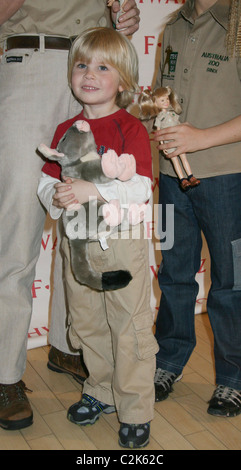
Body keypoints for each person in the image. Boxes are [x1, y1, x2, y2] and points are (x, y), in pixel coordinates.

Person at [0, 0, 140, 431]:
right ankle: (4, 374)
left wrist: (123, 18)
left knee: (87, 221)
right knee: (18, 225)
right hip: (35, 62)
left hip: (94, 63)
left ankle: (68, 347)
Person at [38, 27, 158, 449]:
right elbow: (46, 179)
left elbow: (142, 187)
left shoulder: (130, 128)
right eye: (82, 65)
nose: (89, 73)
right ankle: (100, 389)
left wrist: (95, 191)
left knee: (128, 326)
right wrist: (55, 195)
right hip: (77, 245)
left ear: (123, 79)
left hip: (121, 242)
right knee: (87, 322)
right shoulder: (65, 129)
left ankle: (136, 407)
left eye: (102, 66)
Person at [153, 0, 241, 417]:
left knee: (231, 282)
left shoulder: (237, 24)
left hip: (228, 177)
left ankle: (233, 378)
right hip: (170, 179)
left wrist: (200, 138)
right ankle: (167, 362)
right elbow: (159, 95)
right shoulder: (173, 25)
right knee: (173, 275)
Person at [138, 86, 200, 190]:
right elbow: (158, 132)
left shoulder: (172, 112)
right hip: (169, 143)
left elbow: (178, 123)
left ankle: (191, 176)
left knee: (184, 158)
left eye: (167, 99)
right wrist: (163, 145)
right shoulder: (160, 117)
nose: (166, 102)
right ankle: (182, 180)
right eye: (162, 100)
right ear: (155, 103)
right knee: (175, 161)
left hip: (180, 140)